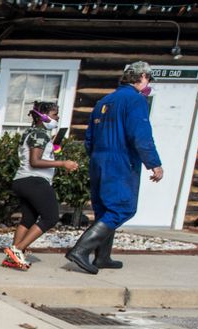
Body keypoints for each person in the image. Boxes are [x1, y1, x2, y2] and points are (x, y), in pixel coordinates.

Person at [66, 61, 163, 274]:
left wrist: (97, 158)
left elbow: (89, 138)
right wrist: (154, 163)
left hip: (99, 159)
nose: (148, 83)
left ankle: (102, 257)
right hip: (120, 159)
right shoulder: (136, 100)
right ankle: (81, 250)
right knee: (122, 207)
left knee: (103, 209)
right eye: (148, 79)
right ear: (143, 77)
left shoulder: (104, 101)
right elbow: (140, 135)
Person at [2, 101, 79, 270]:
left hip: (22, 181)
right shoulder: (40, 134)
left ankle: (13, 258)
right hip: (34, 181)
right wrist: (63, 163)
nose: (57, 117)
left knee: (28, 219)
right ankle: (18, 250)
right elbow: (35, 161)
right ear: (43, 116)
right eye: (54, 114)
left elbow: (37, 154)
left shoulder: (32, 133)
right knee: (51, 218)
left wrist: (52, 147)